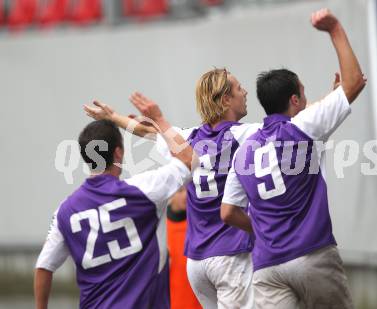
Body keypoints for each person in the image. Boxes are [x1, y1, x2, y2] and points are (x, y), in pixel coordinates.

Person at [220, 8, 366, 309]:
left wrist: (259, 230)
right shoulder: (303, 128)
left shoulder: (244, 150)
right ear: (295, 101)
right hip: (313, 254)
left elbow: (228, 212)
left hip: (268, 266)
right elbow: (354, 82)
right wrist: (335, 29)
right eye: (303, 93)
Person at [84, 72, 260, 308]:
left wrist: (113, 117)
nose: (245, 92)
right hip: (231, 253)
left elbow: (150, 131)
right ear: (226, 100)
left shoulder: (189, 137)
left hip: (197, 261)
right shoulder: (247, 134)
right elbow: (295, 123)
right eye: (239, 88)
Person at [34, 97, 195, 309]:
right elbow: (188, 158)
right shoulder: (143, 190)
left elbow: (44, 267)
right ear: (119, 152)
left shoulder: (65, 210)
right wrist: (158, 122)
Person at [167, 188, 202, 309]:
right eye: (180, 191)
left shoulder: (202, 226)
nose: (186, 195)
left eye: (189, 190)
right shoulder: (159, 229)